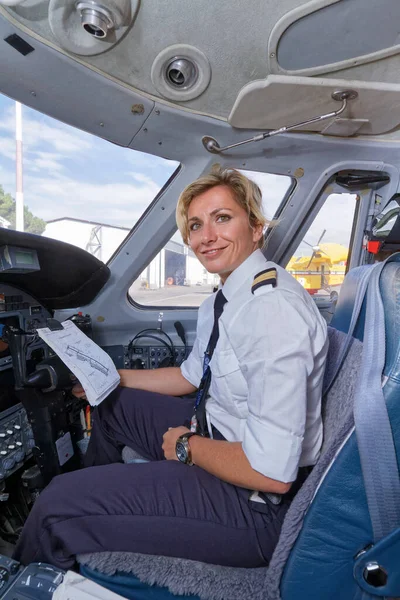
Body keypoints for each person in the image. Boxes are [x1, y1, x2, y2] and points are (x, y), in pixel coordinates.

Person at [13, 165, 328, 570]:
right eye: (196, 225)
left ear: (256, 226)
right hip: (221, 436)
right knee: (112, 404)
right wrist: (108, 377)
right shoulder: (227, 299)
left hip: (255, 506)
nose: (207, 236)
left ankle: (62, 524)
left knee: (57, 502)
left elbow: (271, 473)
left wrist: (187, 447)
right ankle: (96, 515)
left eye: (222, 218)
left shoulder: (271, 313)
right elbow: (191, 375)